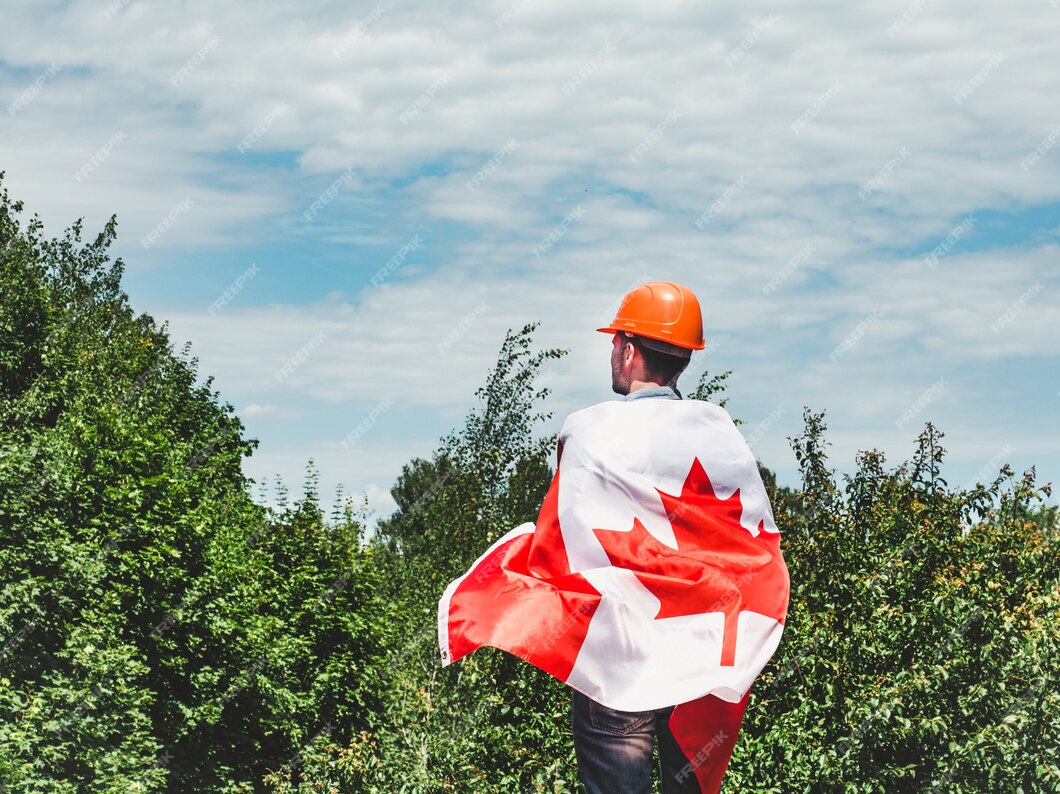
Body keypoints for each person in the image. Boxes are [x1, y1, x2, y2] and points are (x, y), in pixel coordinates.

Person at [438, 281, 789, 794]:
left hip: (619, 651)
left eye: (614, 340)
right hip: (702, 652)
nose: (611, 351)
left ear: (628, 349)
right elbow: (751, 544)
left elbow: (564, 542)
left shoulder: (589, 429)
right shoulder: (719, 431)